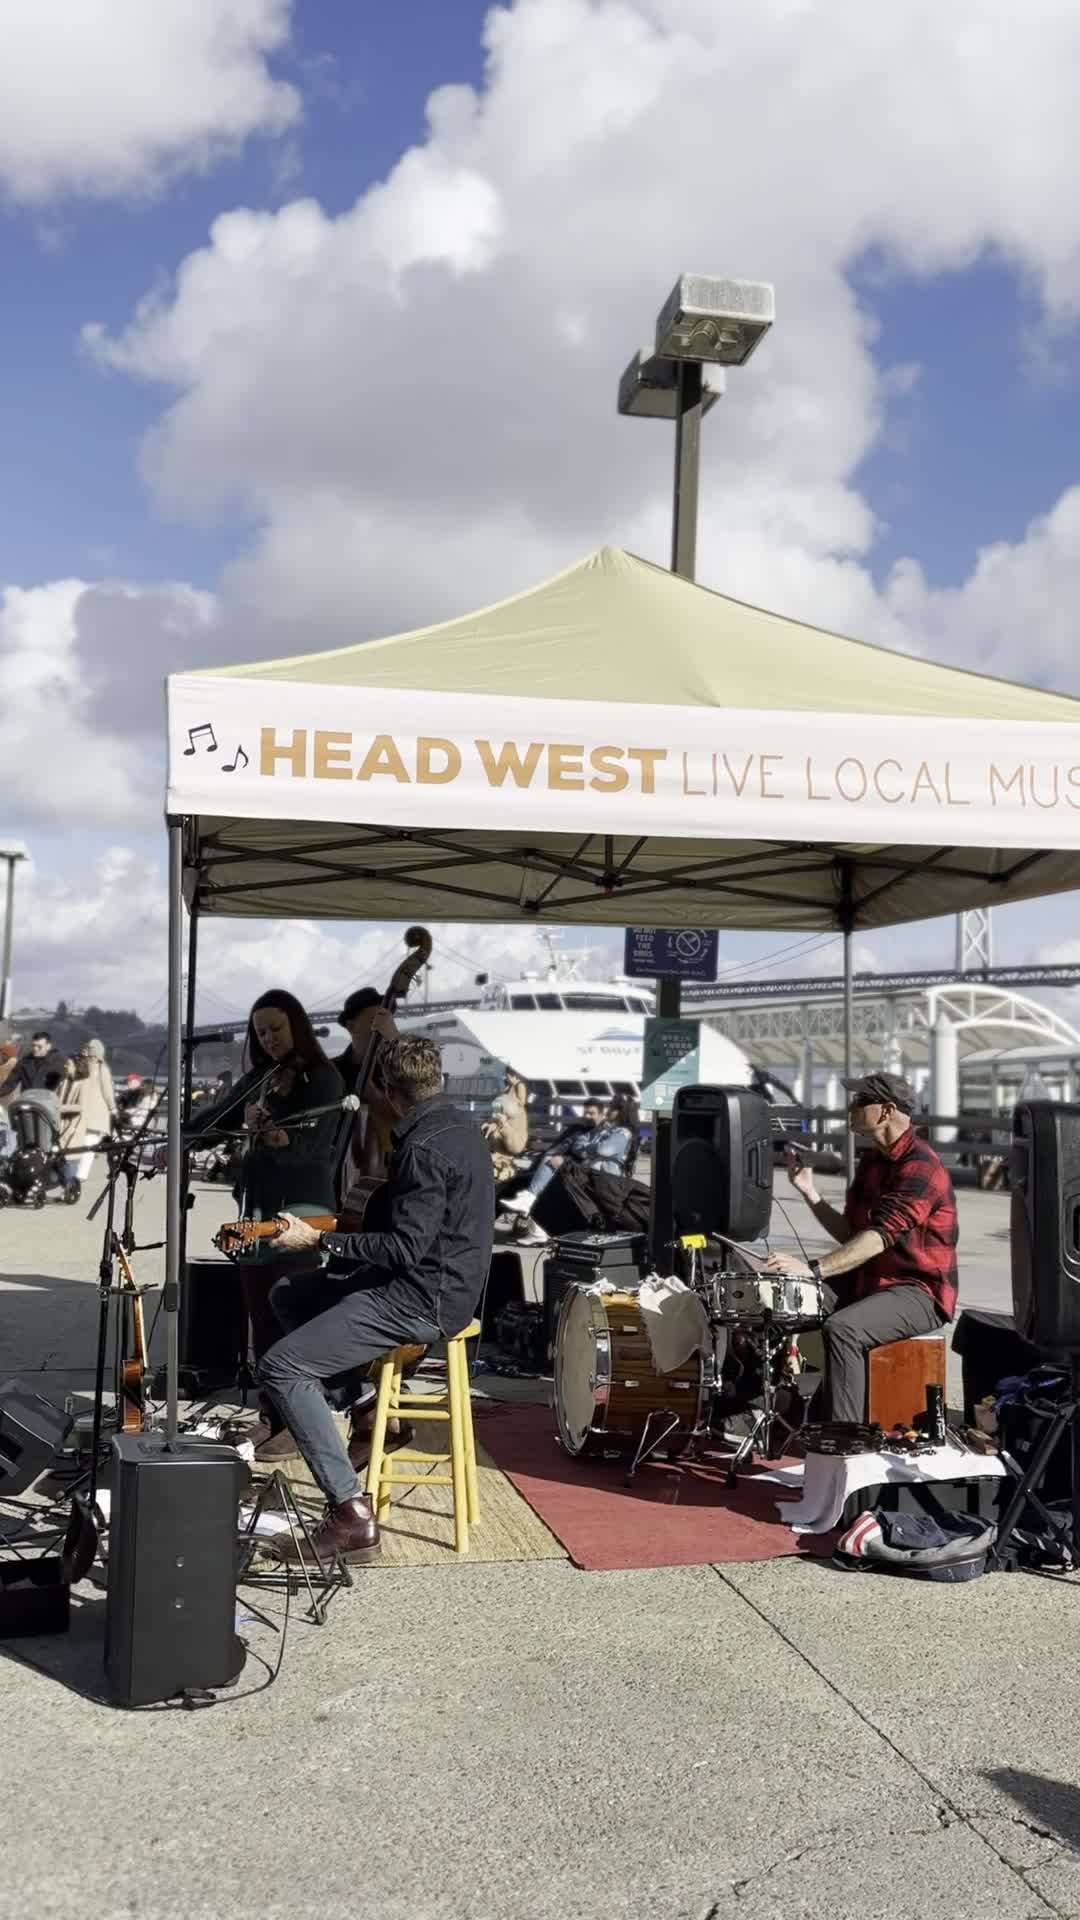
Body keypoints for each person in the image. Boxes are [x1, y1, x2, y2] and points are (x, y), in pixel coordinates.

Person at [260, 1035, 495, 1565]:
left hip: (420, 1299)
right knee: (291, 1294)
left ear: (388, 1092)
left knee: (283, 1367)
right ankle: (367, 1411)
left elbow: (403, 1249)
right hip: (441, 1283)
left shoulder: (421, 1148)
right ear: (437, 1080)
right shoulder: (461, 1128)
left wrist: (319, 1239)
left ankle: (349, 1515)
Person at [186, 989, 344, 1459]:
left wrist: (271, 1133)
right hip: (254, 1216)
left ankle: (302, 1422)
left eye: (277, 1029)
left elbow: (312, 1151)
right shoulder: (261, 1076)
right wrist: (184, 1134)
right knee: (261, 1320)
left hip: (300, 1216)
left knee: (292, 1320)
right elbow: (219, 1116)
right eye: (260, 1032)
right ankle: (270, 1414)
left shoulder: (324, 1080)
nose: (270, 1039)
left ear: (297, 1025)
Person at [765, 1070, 957, 1424]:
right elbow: (851, 1235)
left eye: (858, 1101)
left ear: (885, 1111)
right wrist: (809, 1192)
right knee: (776, 1300)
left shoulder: (922, 1167)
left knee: (844, 1329)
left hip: (917, 1291)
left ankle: (843, 1441)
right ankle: (747, 1411)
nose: (849, 1108)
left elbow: (879, 1236)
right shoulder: (872, 1161)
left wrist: (812, 1269)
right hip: (869, 1281)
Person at [499, 1095, 636, 1244]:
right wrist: (587, 1149)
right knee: (543, 1169)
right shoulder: (601, 1129)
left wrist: (584, 1151)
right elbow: (578, 1145)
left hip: (601, 1179)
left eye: (613, 1107)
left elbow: (603, 1150)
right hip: (587, 1173)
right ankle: (531, 1209)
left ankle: (532, 1211)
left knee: (551, 1170)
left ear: (621, 1112)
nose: (586, 1116)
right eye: (585, 1112)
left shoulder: (622, 1133)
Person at [333, 988, 400, 1205]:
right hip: (335, 1179)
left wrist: (395, 1042)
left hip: (387, 1179)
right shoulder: (332, 1072)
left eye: (386, 1021)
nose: (381, 1027)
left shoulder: (398, 1072)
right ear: (351, 1026)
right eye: (374, 1020)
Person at [60, 1039, 117, 1183]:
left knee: (88, 1145)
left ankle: (81, 1176)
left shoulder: (101, 1068)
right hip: (85, 1112)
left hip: (96, 1114)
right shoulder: (84, 1067)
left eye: (88, 1050)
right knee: (81, 1145)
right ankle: (75, 1175)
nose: (86, 1052)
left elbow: (108, 1092)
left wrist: (113, 1108)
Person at [3, 1031, 66, 1104]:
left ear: (48, 1046)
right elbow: (10, 1084)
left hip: (48, 1105)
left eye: (39, 1047)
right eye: (33, 1046)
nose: (35, 1049)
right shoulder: (24, 1062)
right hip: (27, 1103)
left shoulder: (58, 1062)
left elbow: (62, 1085)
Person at [481, 1069, 530, 1160]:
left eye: (508, 1076)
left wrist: (508, 1101)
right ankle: (496, 1152)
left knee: (502, 1130)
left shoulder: (520, 1085)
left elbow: (521, 1103)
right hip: (504, 1114)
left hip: (513, 1116)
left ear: (513, 1075)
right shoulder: (507, 1088)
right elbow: (498, 1101)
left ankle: (501, 1155)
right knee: (494, 1130)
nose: (506, 1078)